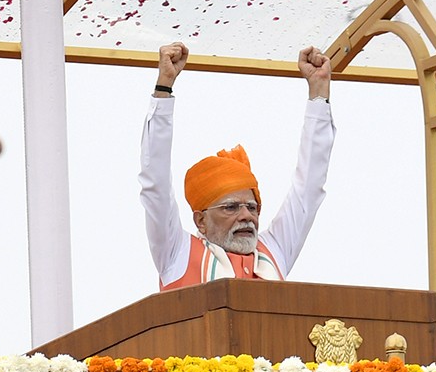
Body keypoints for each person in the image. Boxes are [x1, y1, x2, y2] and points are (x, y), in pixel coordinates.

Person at [138, 42, 336, 290]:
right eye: (231, 208)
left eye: (252, 207)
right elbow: (155, 183)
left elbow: (309, 187)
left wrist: (318, 93)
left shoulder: (272, 251)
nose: (247, 217)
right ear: (201, 221)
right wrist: (164, 87)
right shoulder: (178, 253)